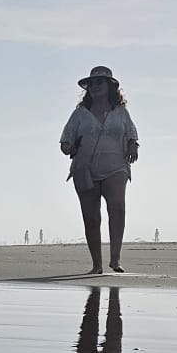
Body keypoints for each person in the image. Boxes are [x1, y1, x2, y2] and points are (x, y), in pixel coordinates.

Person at [59, 66, 140, 274]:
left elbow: (132, 134)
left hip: (116, 166)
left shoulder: (120, 112)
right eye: (92, 84)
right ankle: (97, 265)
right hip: (84, 168)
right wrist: (70, 147)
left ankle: (116, 259)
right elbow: (65, 142)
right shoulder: (79, 114)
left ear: (110, 86)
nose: (95, 87)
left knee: (117, 208)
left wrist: (132, 145)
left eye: (99, 83)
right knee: (92, 217)